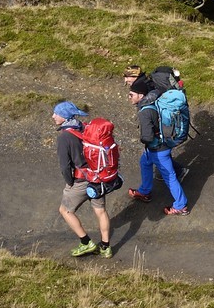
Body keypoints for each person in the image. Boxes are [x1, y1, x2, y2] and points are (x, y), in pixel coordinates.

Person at [52, 101, 113, 258]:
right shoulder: (86, 128)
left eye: (56, 113)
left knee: (65, 210)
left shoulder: (64, 138)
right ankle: (106, 247)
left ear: (64, 117)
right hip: (99, 177)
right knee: (100, 211)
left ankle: (86, 243)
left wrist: (70, 182)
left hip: (80, 180)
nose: (53, 116)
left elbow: (65, 166)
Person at [125, 73, 190, 215]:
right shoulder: (154, 101)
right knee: (145, 162)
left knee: (169, 177)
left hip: (158, 149)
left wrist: (144, 139)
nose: (129, 97)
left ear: (141, 96)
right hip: (162, 144)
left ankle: (181, 206)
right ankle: (144, 191)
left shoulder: (144, 112)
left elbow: (147, 137)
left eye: (131, 95)